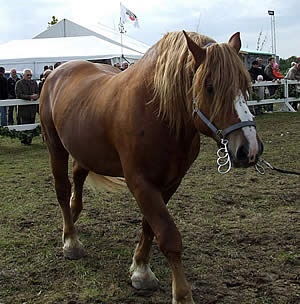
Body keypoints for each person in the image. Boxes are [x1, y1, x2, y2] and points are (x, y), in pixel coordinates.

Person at [15, 68, 39, 145]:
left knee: (32, 123)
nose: (29, 76)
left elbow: (37, 92)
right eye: (27, 75)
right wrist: (30, 97)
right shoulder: (19, 83)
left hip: (32, 108)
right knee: (24, 123)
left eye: (30, 75)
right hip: (23, 108)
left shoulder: (34, 82)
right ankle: (23, 140)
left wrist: (36, 96)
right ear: (23, 75)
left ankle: (29, 140)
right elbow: (18, 94)